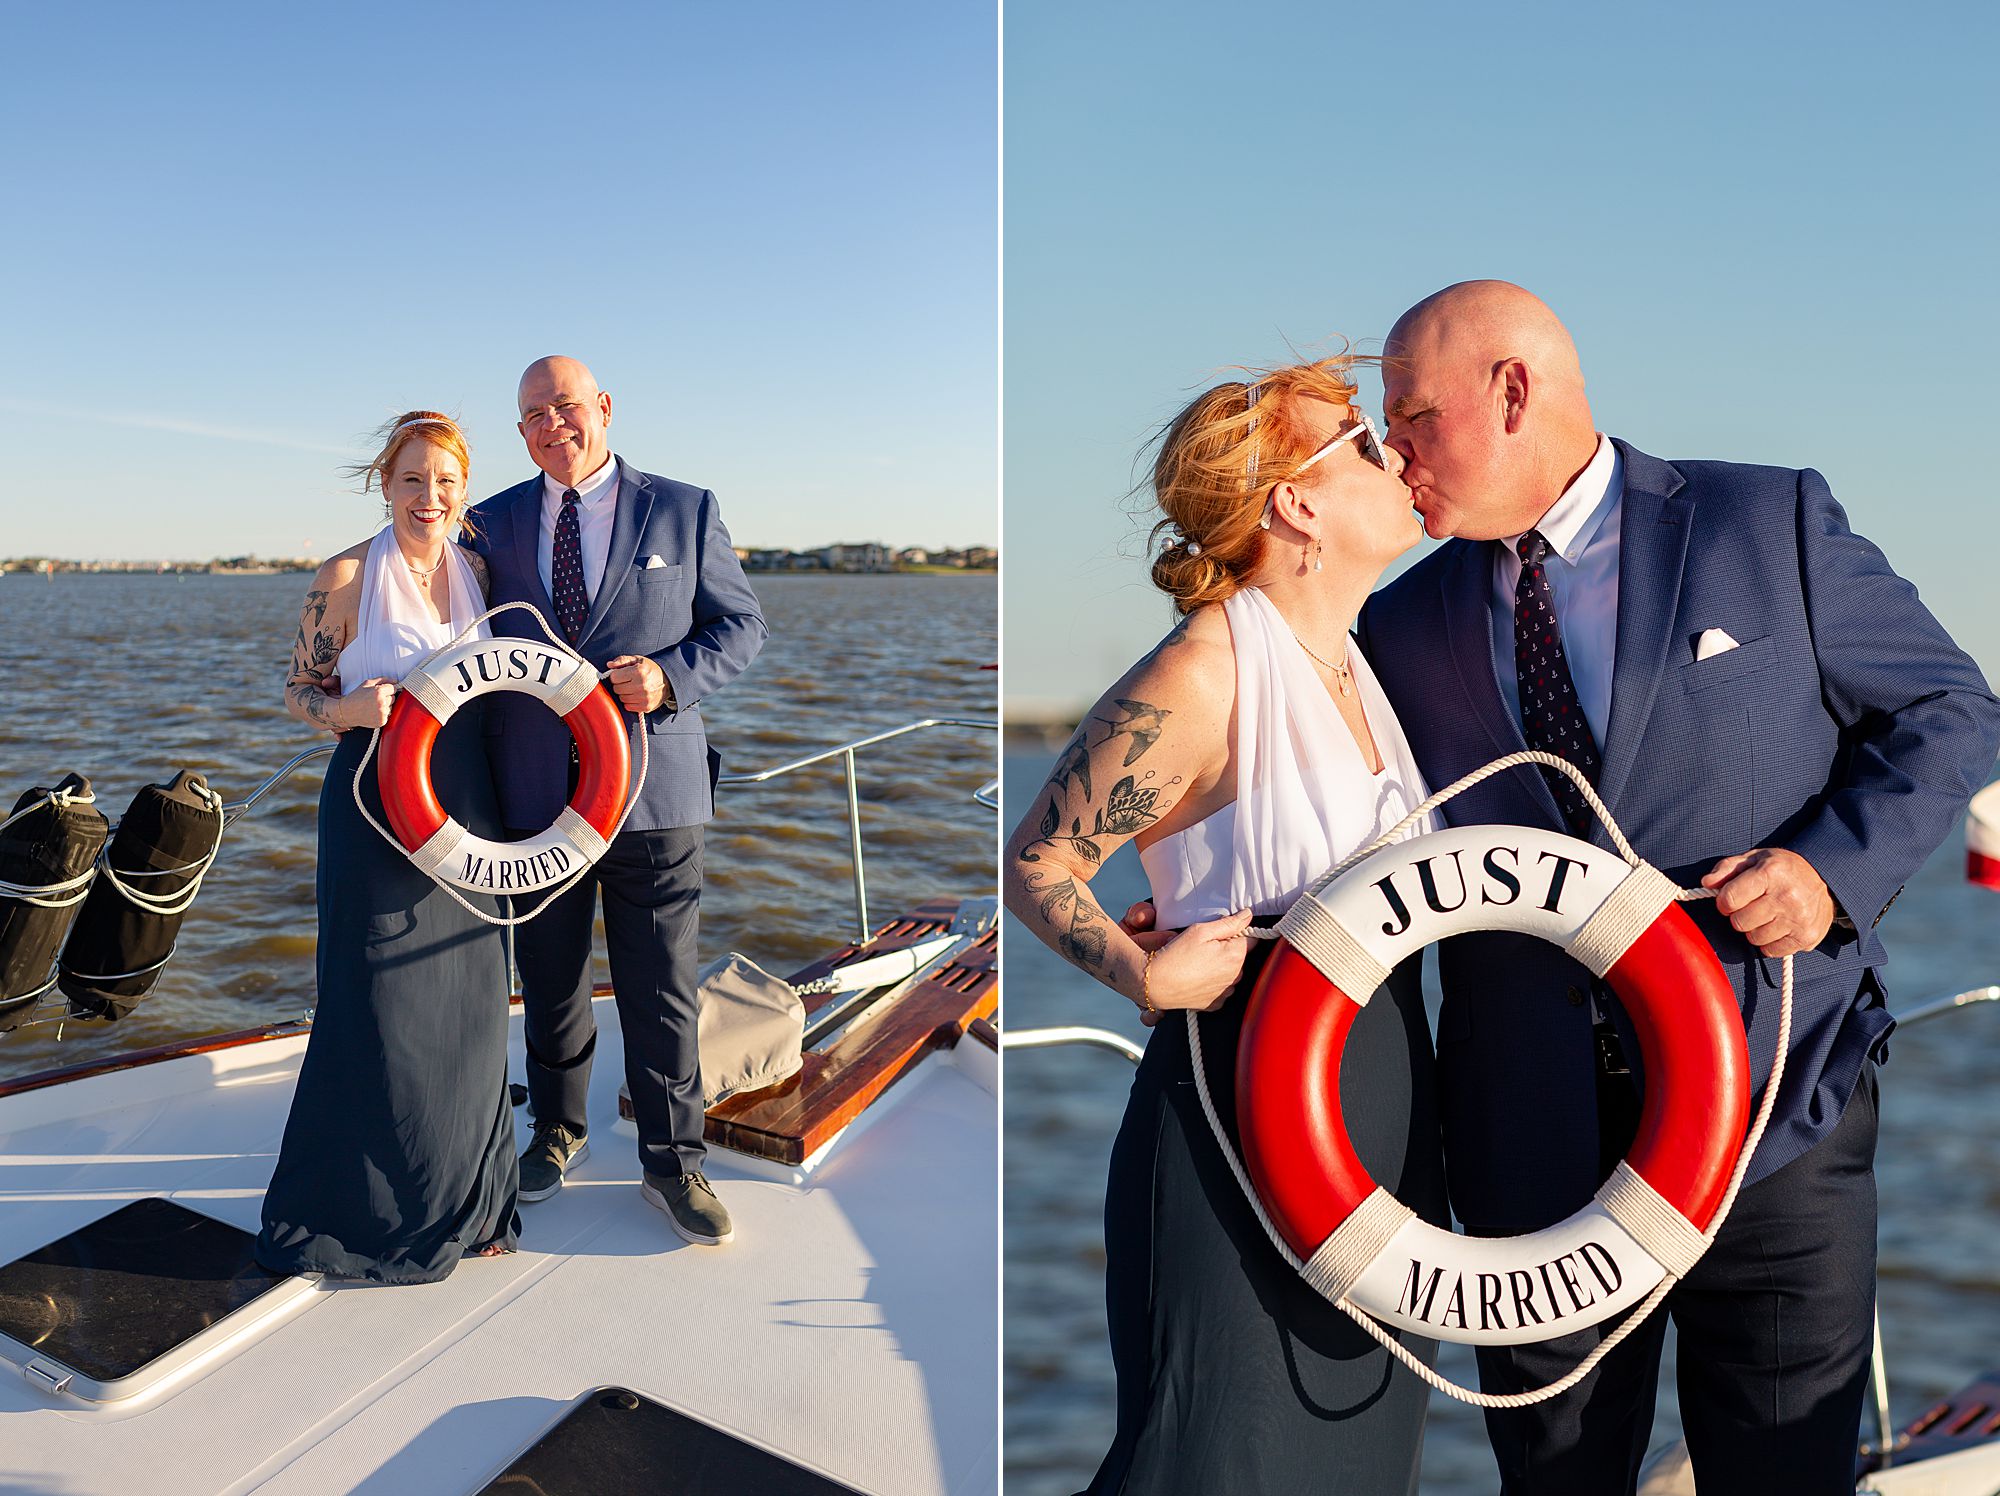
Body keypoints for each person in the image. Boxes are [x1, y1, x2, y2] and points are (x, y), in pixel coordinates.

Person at [1355, 280, 2000, 1494]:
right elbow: (1345, 838)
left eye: (1410, 416)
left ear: (1511, 392)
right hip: (1528, 1140)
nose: (1394, 454)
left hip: (1773, 1112)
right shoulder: (1397, 622)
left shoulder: (1768, 522)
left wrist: (1827, 868)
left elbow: (1951, 709)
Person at [1003, 356, 1451, 1494]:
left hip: (1386, 1106)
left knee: (1353, 1457)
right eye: (1359, 442)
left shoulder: (1355, 658)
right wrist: (1141, 974)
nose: (1392, 453)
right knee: (1217, 1458)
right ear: (1295, 501)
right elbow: (1041, 859)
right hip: (1236, 1109)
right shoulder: (1204, 671)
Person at [469, 356, 766, 1246]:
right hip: (533, 793)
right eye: (531, 415)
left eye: (565, 406)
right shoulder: (491, 524)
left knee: (661, 987)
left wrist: (670, 677)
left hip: (654, 792)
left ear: (603, 407)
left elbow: (742, 625)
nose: (551, 425)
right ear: (519, 432)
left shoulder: (686, 507)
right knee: (550, 981)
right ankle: (556, 1131)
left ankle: (675, 1164)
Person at [258, 411, 522, 1284]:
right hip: (375, 804)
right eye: (413, 479)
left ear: (463, 491)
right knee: (380, 1007)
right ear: (386, 484)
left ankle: (471, 1201)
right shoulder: (346, 576)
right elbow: (295, 688)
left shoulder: (478, 571)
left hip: (468, 802)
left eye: (445, 481)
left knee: (471, 1002)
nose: (429, 497)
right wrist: (344, 710)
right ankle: (367, 1216)